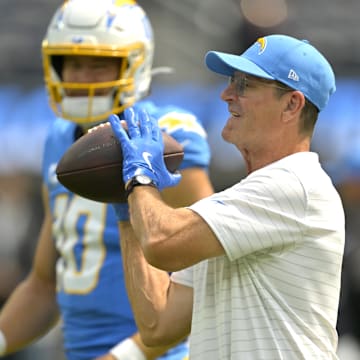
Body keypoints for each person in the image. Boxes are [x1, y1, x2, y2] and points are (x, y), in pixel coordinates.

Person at [108, 34, 345, 359]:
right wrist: (126, 213)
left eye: (245, 85)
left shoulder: (296, 183)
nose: (226, 94)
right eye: (232, 82)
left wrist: (139, 178)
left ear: (292, 104)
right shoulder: (242, 203)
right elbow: (158, 324)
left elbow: (162, 242)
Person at [0, 1, 213, 359]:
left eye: (99, 64)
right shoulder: (59, 140)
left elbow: (211, 268)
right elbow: (44, 284)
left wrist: (123, 356)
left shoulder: (168, 133)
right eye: (73, 64)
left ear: (135, 64)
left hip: (159, 352)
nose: (83, 78)